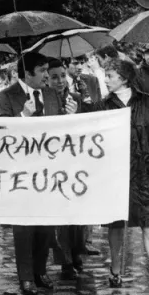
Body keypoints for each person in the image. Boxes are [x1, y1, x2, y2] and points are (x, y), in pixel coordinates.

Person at [92, 58, 149, 295]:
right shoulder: (102, 106)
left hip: (145, 173)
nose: (106, 80)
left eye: (110, 75)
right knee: (116, 224)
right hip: (116, 173)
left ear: (124, 78)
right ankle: (115, 270)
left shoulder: (147, 102)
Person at [0, 52, 75, 295]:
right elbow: (0, 132)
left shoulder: (51, 94)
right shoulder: (6, 96)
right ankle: (26, 277)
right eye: (41, 71)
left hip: (48, 170)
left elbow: (60, 130)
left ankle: (41, 271)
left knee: (45, 224)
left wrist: (70, 117)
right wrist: (23, 117)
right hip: (20, 172)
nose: (46, 76)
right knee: (23, 227)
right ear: (27, 73)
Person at [46, 59, 89, 281]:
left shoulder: (77, 98)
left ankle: (77, 250)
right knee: (61, 214)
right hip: (54, 163)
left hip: (76, 161)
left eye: (63, 75)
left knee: (78, 211)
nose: (60, 81)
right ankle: (65, 260)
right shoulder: (43, 100)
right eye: (54, 77)